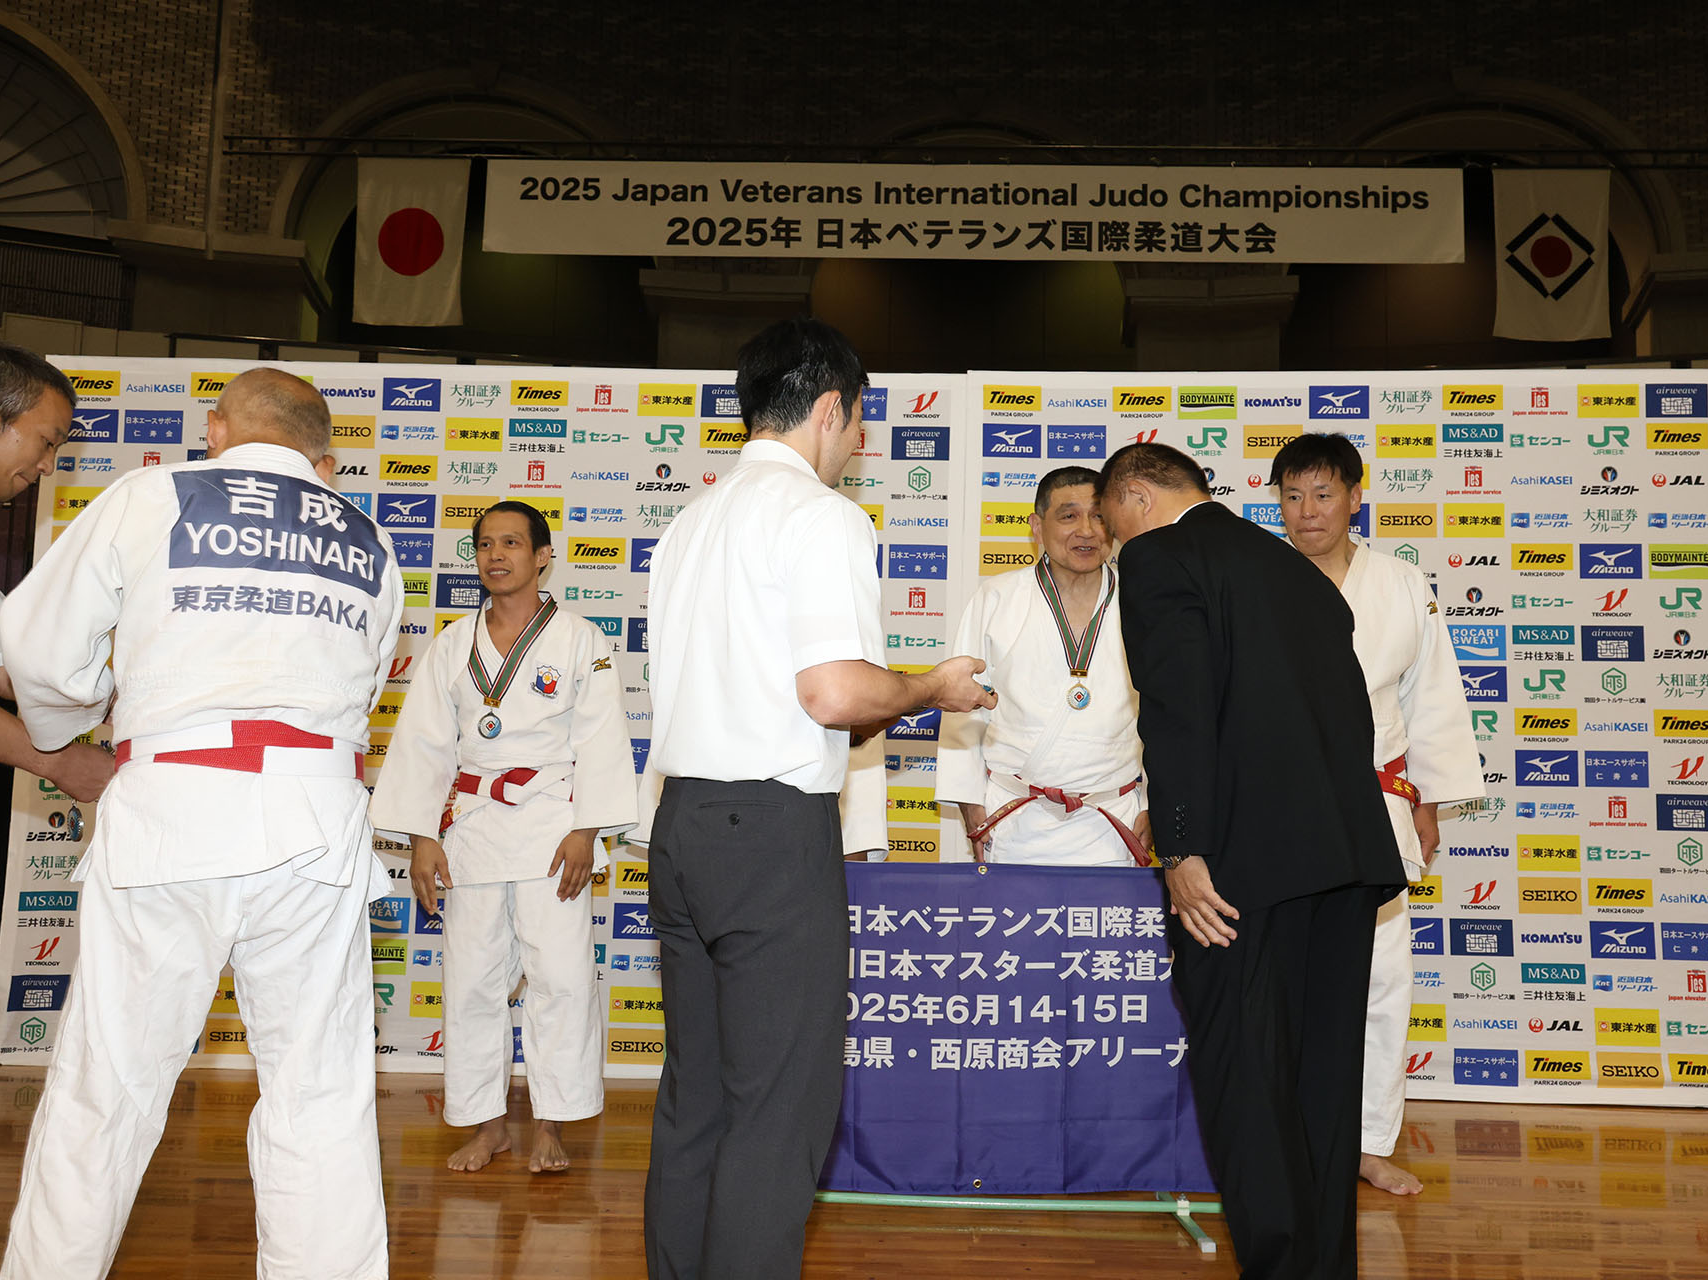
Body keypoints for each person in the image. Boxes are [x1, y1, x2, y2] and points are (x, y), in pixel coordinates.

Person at [0, 367, 402, 1280]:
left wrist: (72, 726)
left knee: (107, 1089)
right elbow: (368, 679)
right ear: (323, 457)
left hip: (173, 807)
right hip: (315, 818)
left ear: (216, 431)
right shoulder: (367, 535)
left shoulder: (153, 495)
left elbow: (35, 644)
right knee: (320, 1095)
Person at [640, 317, 994, 1280]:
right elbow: (834, 695)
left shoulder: (688, 524)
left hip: (681, 825)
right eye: (861, 420)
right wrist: (930, 687)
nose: (861, 443)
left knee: (696, 1100)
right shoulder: (821, 515)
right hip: (769, 836)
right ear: (830, 407)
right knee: (777, 1109)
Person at [1096, 441, 1402, 1280]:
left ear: (1137, 496)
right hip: (1343, 862)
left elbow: (1178, 711)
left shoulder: (1160, 558)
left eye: (1112, 521)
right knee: (1321, 1084)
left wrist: (1181, 847)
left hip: (1240, 873)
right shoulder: (1298, 571)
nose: (1112, 539)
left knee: (1246, 1081)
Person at [370, 499, 636, 1175]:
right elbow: (425, 744)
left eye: (512, 543)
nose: (496, 555)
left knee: (561, 980)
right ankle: (487, 1125)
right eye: (486, 544)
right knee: (472, 983)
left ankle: (550, 1124)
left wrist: (587, 830)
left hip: (553, 825)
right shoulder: (452, 645)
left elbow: (601, 739)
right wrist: (422, 837)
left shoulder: (581, 640)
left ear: (543, 556)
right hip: (474, 826)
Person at [1273, 433, 1483, 1198]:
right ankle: (1283, 1139)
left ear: (1356, 498)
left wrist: (1431, 798)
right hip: (1280, 804)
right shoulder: (1256, 579)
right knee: (1283, 978)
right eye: (1292, 496)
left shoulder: (1399, 582)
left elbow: (1432, 696)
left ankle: (1366, 1141)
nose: (1308, 511)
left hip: (1377, 800)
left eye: (1323, 494)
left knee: (1384, 976)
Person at [0, 344, 114, 943]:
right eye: (47, 442)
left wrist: (128, 702)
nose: (48, 466)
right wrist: (57, 762)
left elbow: (5, 666)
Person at [936, 465, 1150, 866]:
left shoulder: (1143, 598)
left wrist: (1152, 802)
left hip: (1113, 817)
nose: (1086, 530)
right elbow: (962, 704)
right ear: (1037, 526)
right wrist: (969, 802)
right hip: (1014, 816)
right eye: (1068, 516)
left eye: (1098, 516)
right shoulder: (997, 597)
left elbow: (1168, 711)